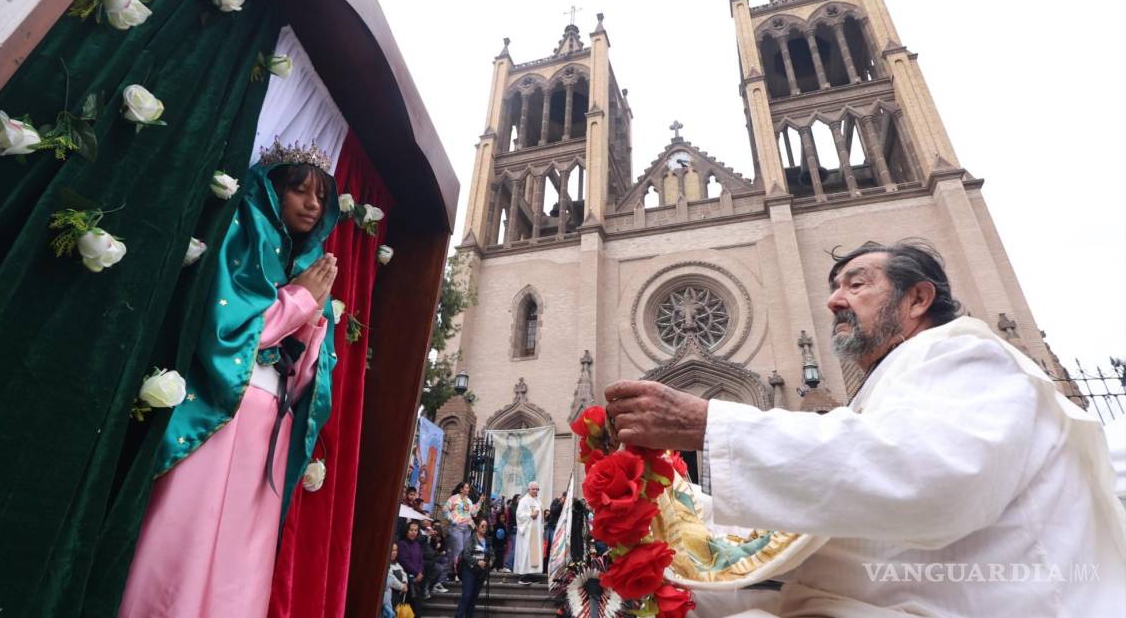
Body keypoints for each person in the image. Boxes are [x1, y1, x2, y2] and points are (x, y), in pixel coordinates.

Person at [605, 240, 1126, 617]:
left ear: (918, 300)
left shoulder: (966, 353)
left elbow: (930, 478)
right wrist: (666, 517)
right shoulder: (893, 385)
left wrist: (707, 423)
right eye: (835, 287)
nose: (834, 300)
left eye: (857, 284)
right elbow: (822, 542)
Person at [120, 145, 341, 617]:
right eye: (299, 190)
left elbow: (304, 383)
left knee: (243, 556)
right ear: (272, 190)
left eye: (321, 196)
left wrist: (313, 322)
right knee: (188, 536)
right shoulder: (241, 242)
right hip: (222, 414)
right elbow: (228, 334)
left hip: (270, 428)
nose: (312, 204)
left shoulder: (312, 267)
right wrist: (299, 302)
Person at [455, 518, 493, 618]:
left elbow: (492, 554)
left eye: (486, 526)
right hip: (469, 570)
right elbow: (466, 555)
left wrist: (491, 561)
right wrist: (477, 562)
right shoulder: (471, 539)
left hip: (481, 573)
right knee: (466, 596)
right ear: (477, 527)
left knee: (474, 597)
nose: (484, 528)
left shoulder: (487, 541)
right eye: (482, 526)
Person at [442, 481, 480, 576]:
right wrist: (453, 520)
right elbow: (445, 510)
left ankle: (461, 571)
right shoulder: (454, 498)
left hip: (467, 527)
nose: (468, 489)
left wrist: (480, 502)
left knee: (465, 550)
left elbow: (473, 512)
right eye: (466, 488)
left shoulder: (468, 500)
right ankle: (456, 572)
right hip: (457, 528)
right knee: (459, 549)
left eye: (468, 488)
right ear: (461, 489)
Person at [513, 481, 544, 584]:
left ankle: (532, 574)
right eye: (533, 489)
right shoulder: (524, 500)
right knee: (526, 553)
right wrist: (531, 515)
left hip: (535, 531)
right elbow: (519, 515)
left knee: (534, 554)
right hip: (527, 532)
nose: (535, 491)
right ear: (528, 489)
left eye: (537, 489)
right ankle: (523, 575)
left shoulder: (538, 501)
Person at [397, 520, 425, 616]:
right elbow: (404, 561)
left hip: (418, 579)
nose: (413, 532)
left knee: (417, 608)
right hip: (408, 579)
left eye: (416, 530)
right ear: (406, 531)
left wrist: (420, 573)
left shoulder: (417, 545)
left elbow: (421, 560)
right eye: (411, 530)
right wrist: (417, 573)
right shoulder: (402, 544)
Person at [386, 542, 408, 618]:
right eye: (392, 550)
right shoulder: (386, 565)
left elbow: (404, 574)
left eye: (396, 550)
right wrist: (402, 587)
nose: (394, 552)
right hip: (389, 597)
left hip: (398, 596)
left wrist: (405, 582)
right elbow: (391, 579)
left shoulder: (397, 564)